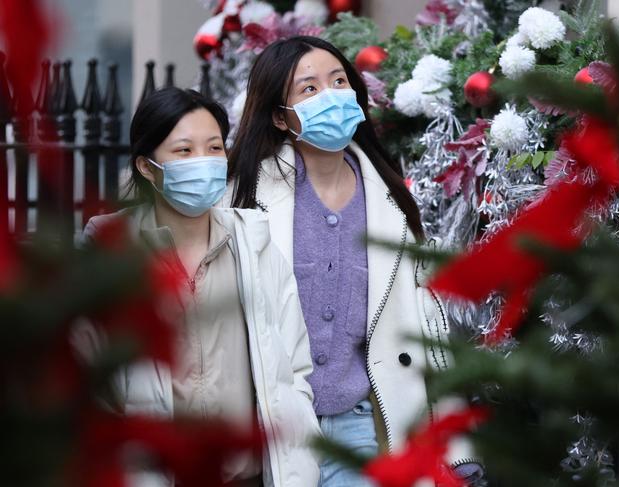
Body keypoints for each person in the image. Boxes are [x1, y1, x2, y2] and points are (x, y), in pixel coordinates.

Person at [224, 36, 483, 486]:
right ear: (278, 117)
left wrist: (459, 450)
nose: (331, 96)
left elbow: (427, 330)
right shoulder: (245, 199)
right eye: (309, 89)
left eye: (339, 81)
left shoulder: (391, 202)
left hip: (360, 428)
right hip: (270, 428)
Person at [82, 87, 321, 487]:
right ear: (146, 167)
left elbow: (294, 369)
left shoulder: (256, 246)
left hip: (250, 477)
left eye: (214, 148)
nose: (204, 163)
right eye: (183, 151)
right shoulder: (110, 257)